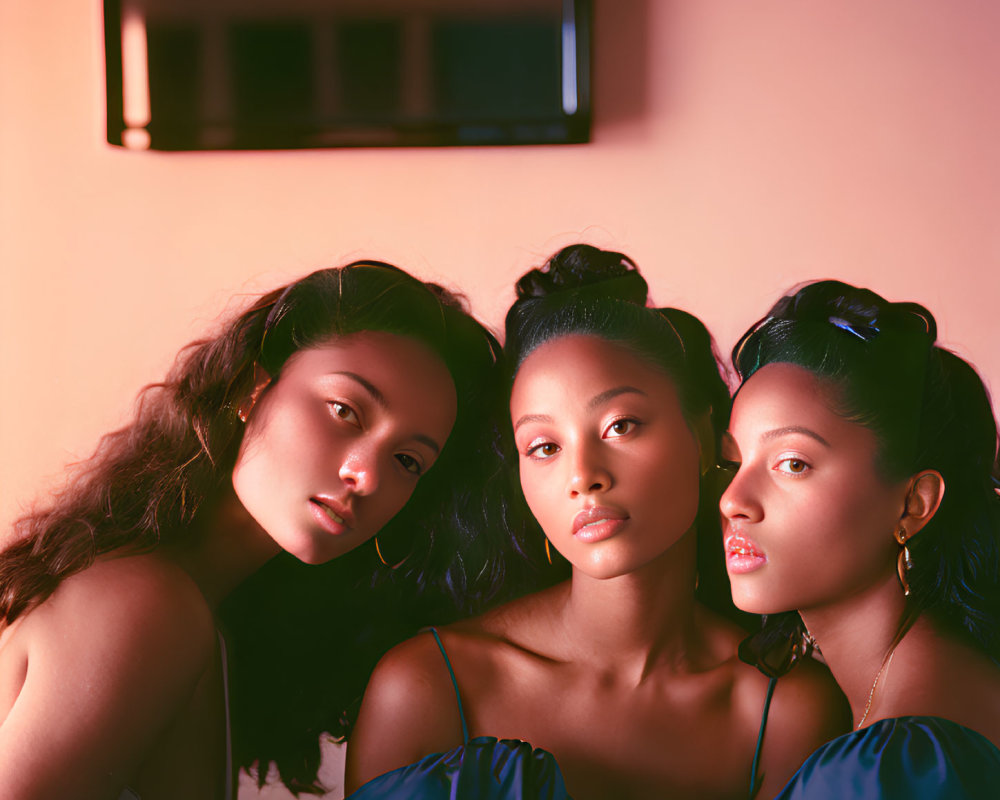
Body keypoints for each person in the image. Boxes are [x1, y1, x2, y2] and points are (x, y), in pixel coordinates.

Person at [345, 246, 849, 799]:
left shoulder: (782, 708)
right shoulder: (429, 685)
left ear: (705, 438)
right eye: (543, 446)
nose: (583, 476)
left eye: (621, 425)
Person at [0, 261, 512, 799]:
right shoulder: (147, 602)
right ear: (251, 387)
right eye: (345, 410)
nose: (367, 475)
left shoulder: (198, 615)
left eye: (407, 461)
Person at [721, 280, 1000, 798]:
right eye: (734, 462)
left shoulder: (895, 765)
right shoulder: (935, 683)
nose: (733, 500)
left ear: (913, 504)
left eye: (792, 463)